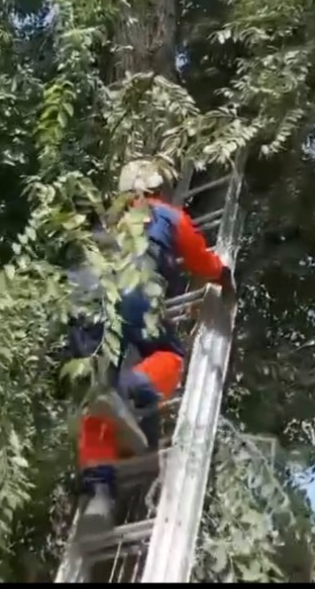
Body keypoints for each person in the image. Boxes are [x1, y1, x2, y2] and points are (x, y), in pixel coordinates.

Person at [73, 159, 236, 534]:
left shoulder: (106, 223)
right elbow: (202, 260)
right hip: (133, 288)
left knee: (96, 401)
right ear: (156, 190)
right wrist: (223, 276)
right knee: (168, 357)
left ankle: (99, 497)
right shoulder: (166, 214)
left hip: (83, 302)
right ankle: (127, 394)